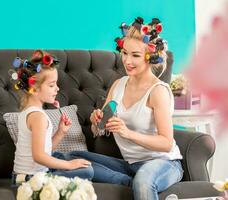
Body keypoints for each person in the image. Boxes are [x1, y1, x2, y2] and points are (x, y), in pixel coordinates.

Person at [69, 17, 183, 200]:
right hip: (130, 165)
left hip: (163, 163)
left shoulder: (158, 91)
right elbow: (98, 130)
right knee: (70, 158)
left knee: (144, 181)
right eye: (124, 53)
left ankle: (138, 181)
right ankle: (130, 180)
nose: (127, 61)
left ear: (150, 57)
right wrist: (96, 122)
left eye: (135, 55)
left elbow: (166, 143)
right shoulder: (118, 85)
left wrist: (127, 133)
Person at [10, 50, 93, 185]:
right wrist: (70, 165)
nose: (57, 89)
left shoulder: (28, 112)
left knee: (70, 160)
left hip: (24, 177)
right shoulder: (38, 117)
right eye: (51, 85)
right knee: (87, 172)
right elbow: (39, 156)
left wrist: (60, 132)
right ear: (34, 89)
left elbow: (45, 151)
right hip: (30, 181)